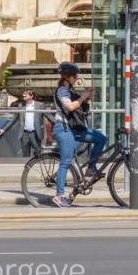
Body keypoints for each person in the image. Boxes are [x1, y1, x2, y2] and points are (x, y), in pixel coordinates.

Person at [52, 63, 106, 207]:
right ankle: (59, 196)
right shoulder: (62, 91)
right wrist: (83, 97)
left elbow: (81, 107)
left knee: (101, 138)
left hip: (75, 128)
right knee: (66, 161)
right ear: (67, 77)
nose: (76, 79)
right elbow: (70, 107)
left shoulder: (70, 90)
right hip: (63, 129)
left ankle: (91, 169)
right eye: (75, 76)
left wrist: (88, 97)